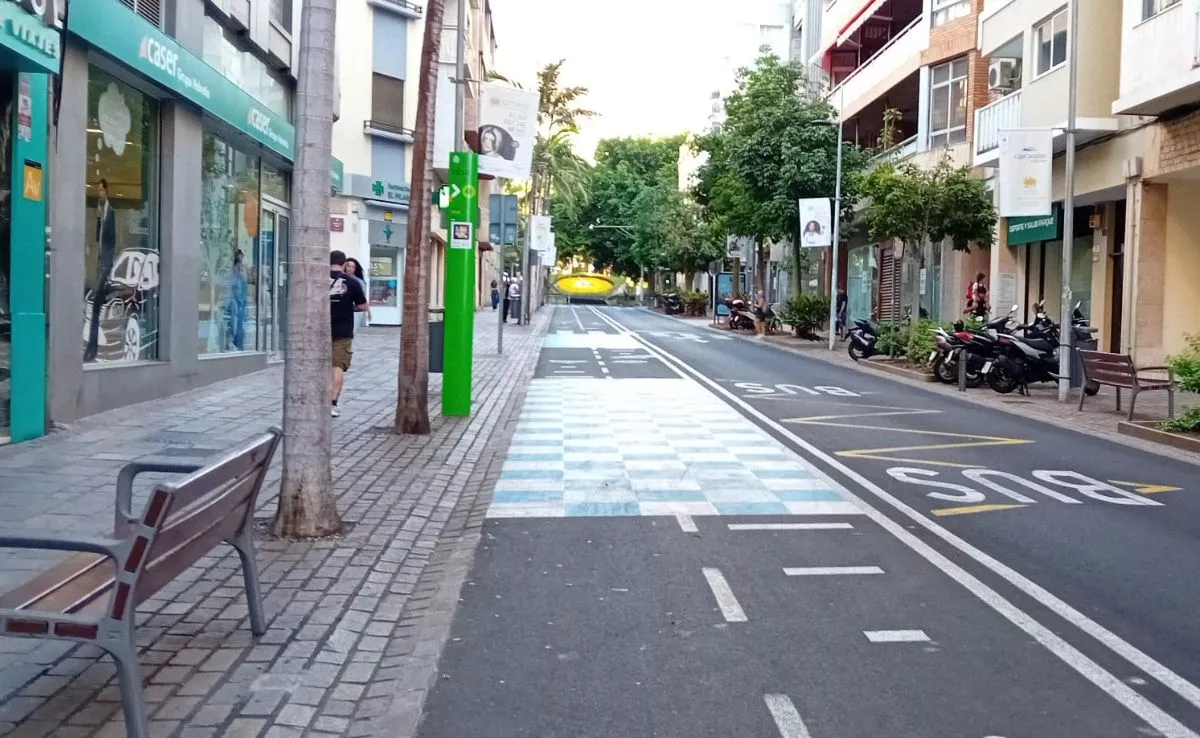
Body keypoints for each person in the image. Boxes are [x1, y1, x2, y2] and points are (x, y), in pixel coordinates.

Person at [330, 250, 367, 418]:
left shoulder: (316, 278)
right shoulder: (352, 282)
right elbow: (362, 306)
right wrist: (348, 307)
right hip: (342, 329)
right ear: (344, 263)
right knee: (338, 367)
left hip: (318, 330)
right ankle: (332, 403)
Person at [84, 178, 117, 362]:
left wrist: (108, 267)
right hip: (98, 265)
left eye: (102, 190)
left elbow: (112, 242)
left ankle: (93, 348)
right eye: (98, 191)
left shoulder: (111, 213)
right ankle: (92, 347)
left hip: (105, 266)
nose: (99, 194)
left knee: (96, 306)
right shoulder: (100, 212)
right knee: (95, 309)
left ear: (107, 191)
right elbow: (98, 238)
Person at [226, 249, 248, 351]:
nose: (242, 259)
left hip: (241, 298)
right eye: (240, 256)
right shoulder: (234, 269)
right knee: (235, 321)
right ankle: (235, 341)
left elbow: (244, 281)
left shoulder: (241, 269)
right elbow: (233, 284)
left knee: (240, 321)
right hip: (236, 298)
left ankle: (239, 343)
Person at [344, 257, 371, 325]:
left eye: (353, 267)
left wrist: (368, 311)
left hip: (355, 311)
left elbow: (363, 297)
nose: (350, 269)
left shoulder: (358, 282)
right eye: (348, 266)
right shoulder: (341, 278)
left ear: (355, 269)